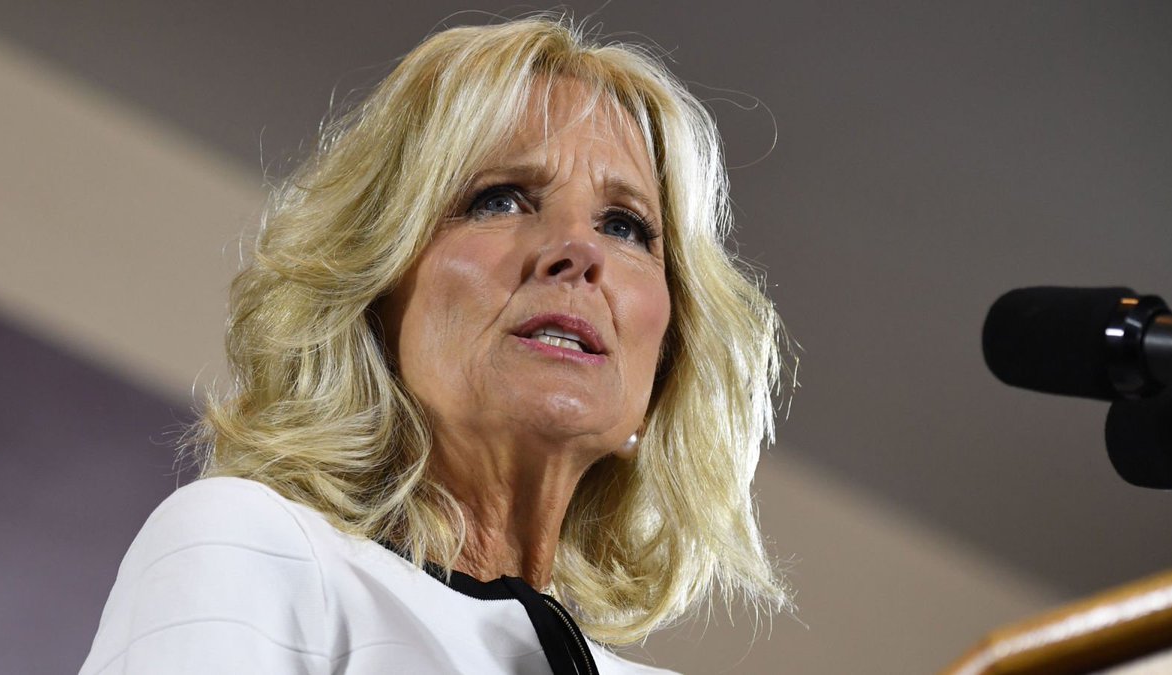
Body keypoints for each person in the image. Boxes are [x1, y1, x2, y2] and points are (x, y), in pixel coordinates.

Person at [80, 15, 789, 675]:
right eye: (499, 199)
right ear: (372, 292)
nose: (579, 250)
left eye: (625, 226)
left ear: (666, 358)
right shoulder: (253, 546)